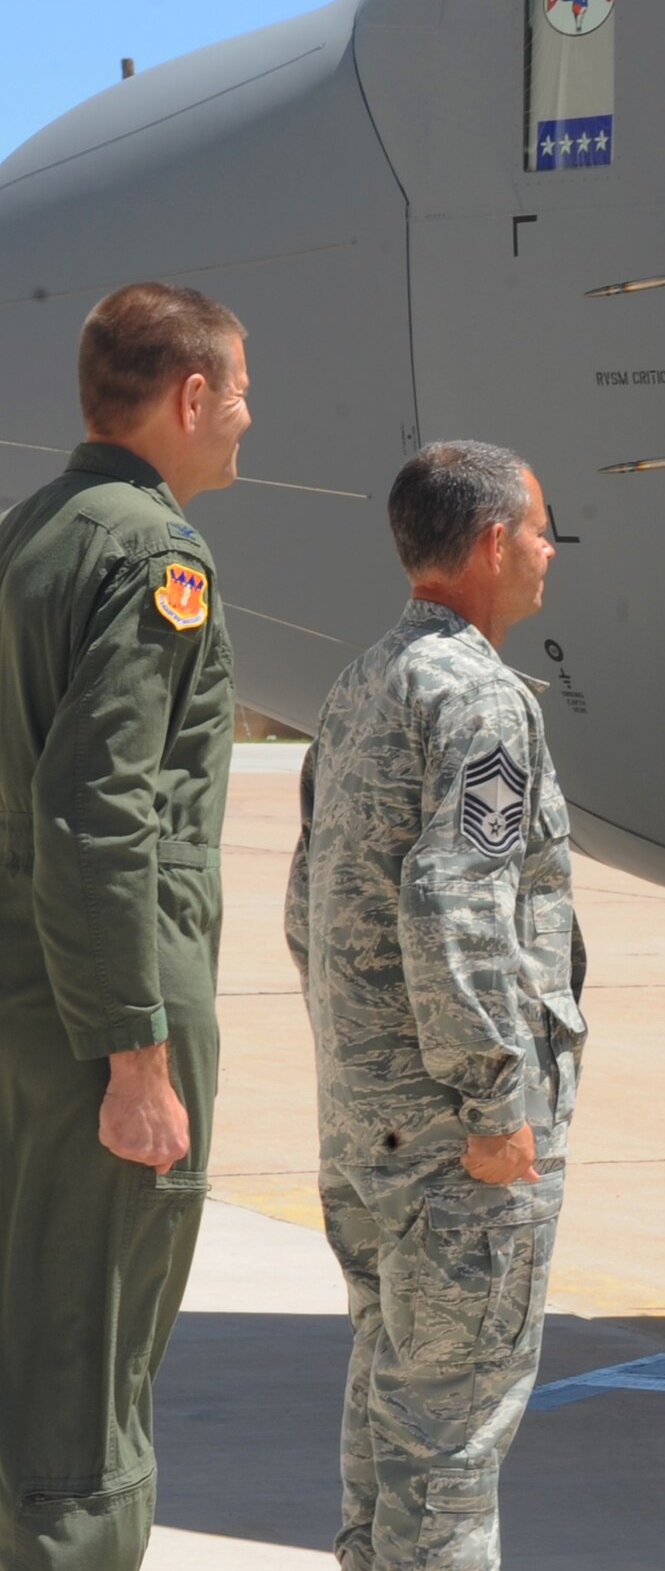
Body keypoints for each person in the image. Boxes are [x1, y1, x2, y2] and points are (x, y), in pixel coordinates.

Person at [284, 440, 585, 1568]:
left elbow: (309, 907)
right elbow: (456, 899)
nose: (552, 551)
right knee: (454, 1445)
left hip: (366, 1126)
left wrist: (361, 1073)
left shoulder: (361, 682)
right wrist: (493, 1095)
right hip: (459, 1148)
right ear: (494, 541)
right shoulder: (482, 702)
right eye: (543, 529)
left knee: (388, 1409)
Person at [0, 282, 249, 1570]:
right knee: (86, 1398)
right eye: (241, 393)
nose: (249, 422)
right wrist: (137, 1053)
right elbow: (102, 809)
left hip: (23, 998)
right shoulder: (156, 555)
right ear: (188, 396)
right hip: (104, 1006)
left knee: (26, 1358)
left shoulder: (27, 531)